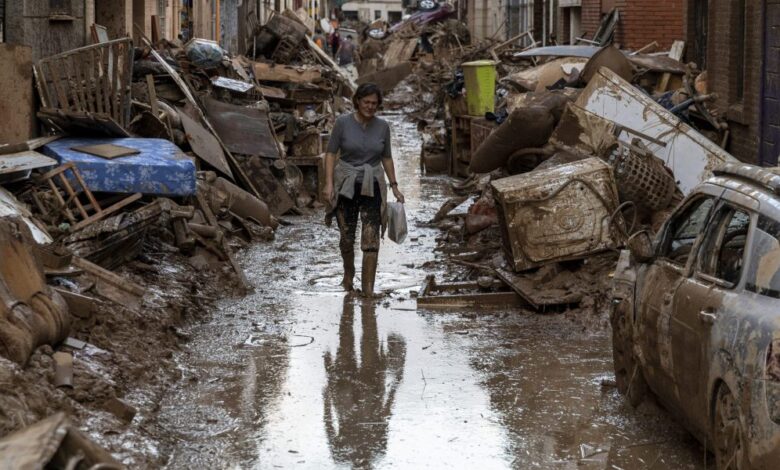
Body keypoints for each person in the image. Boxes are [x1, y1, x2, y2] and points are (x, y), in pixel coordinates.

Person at [323, 83, 405, 296]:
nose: (370, 107)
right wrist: (329, 183)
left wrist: (394, 186)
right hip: (346, 185)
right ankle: (348, 274)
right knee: (347, 238)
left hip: (373, 185)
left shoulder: (383, 127)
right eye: (366, 102)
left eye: (374, 104)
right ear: (357, 101)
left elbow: (386, 157)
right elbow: (331, 153)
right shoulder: (342, 123)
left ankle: (368, 290)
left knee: (371, 239)